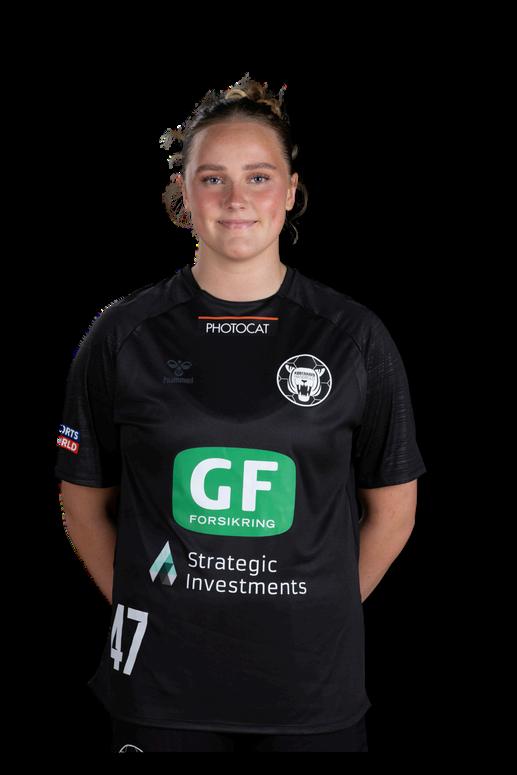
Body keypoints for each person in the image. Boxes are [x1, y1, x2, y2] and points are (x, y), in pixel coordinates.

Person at [54, 73, 427, 753]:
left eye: (258, 177)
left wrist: (319, 613)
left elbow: (394, 508)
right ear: (182, 193)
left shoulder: (353, 336)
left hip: (311, 689)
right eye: (212, 179)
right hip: (161, 687)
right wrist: (148, 601)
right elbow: (81, 502)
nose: (236, 200)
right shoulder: (122, 333)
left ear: (290, 191)